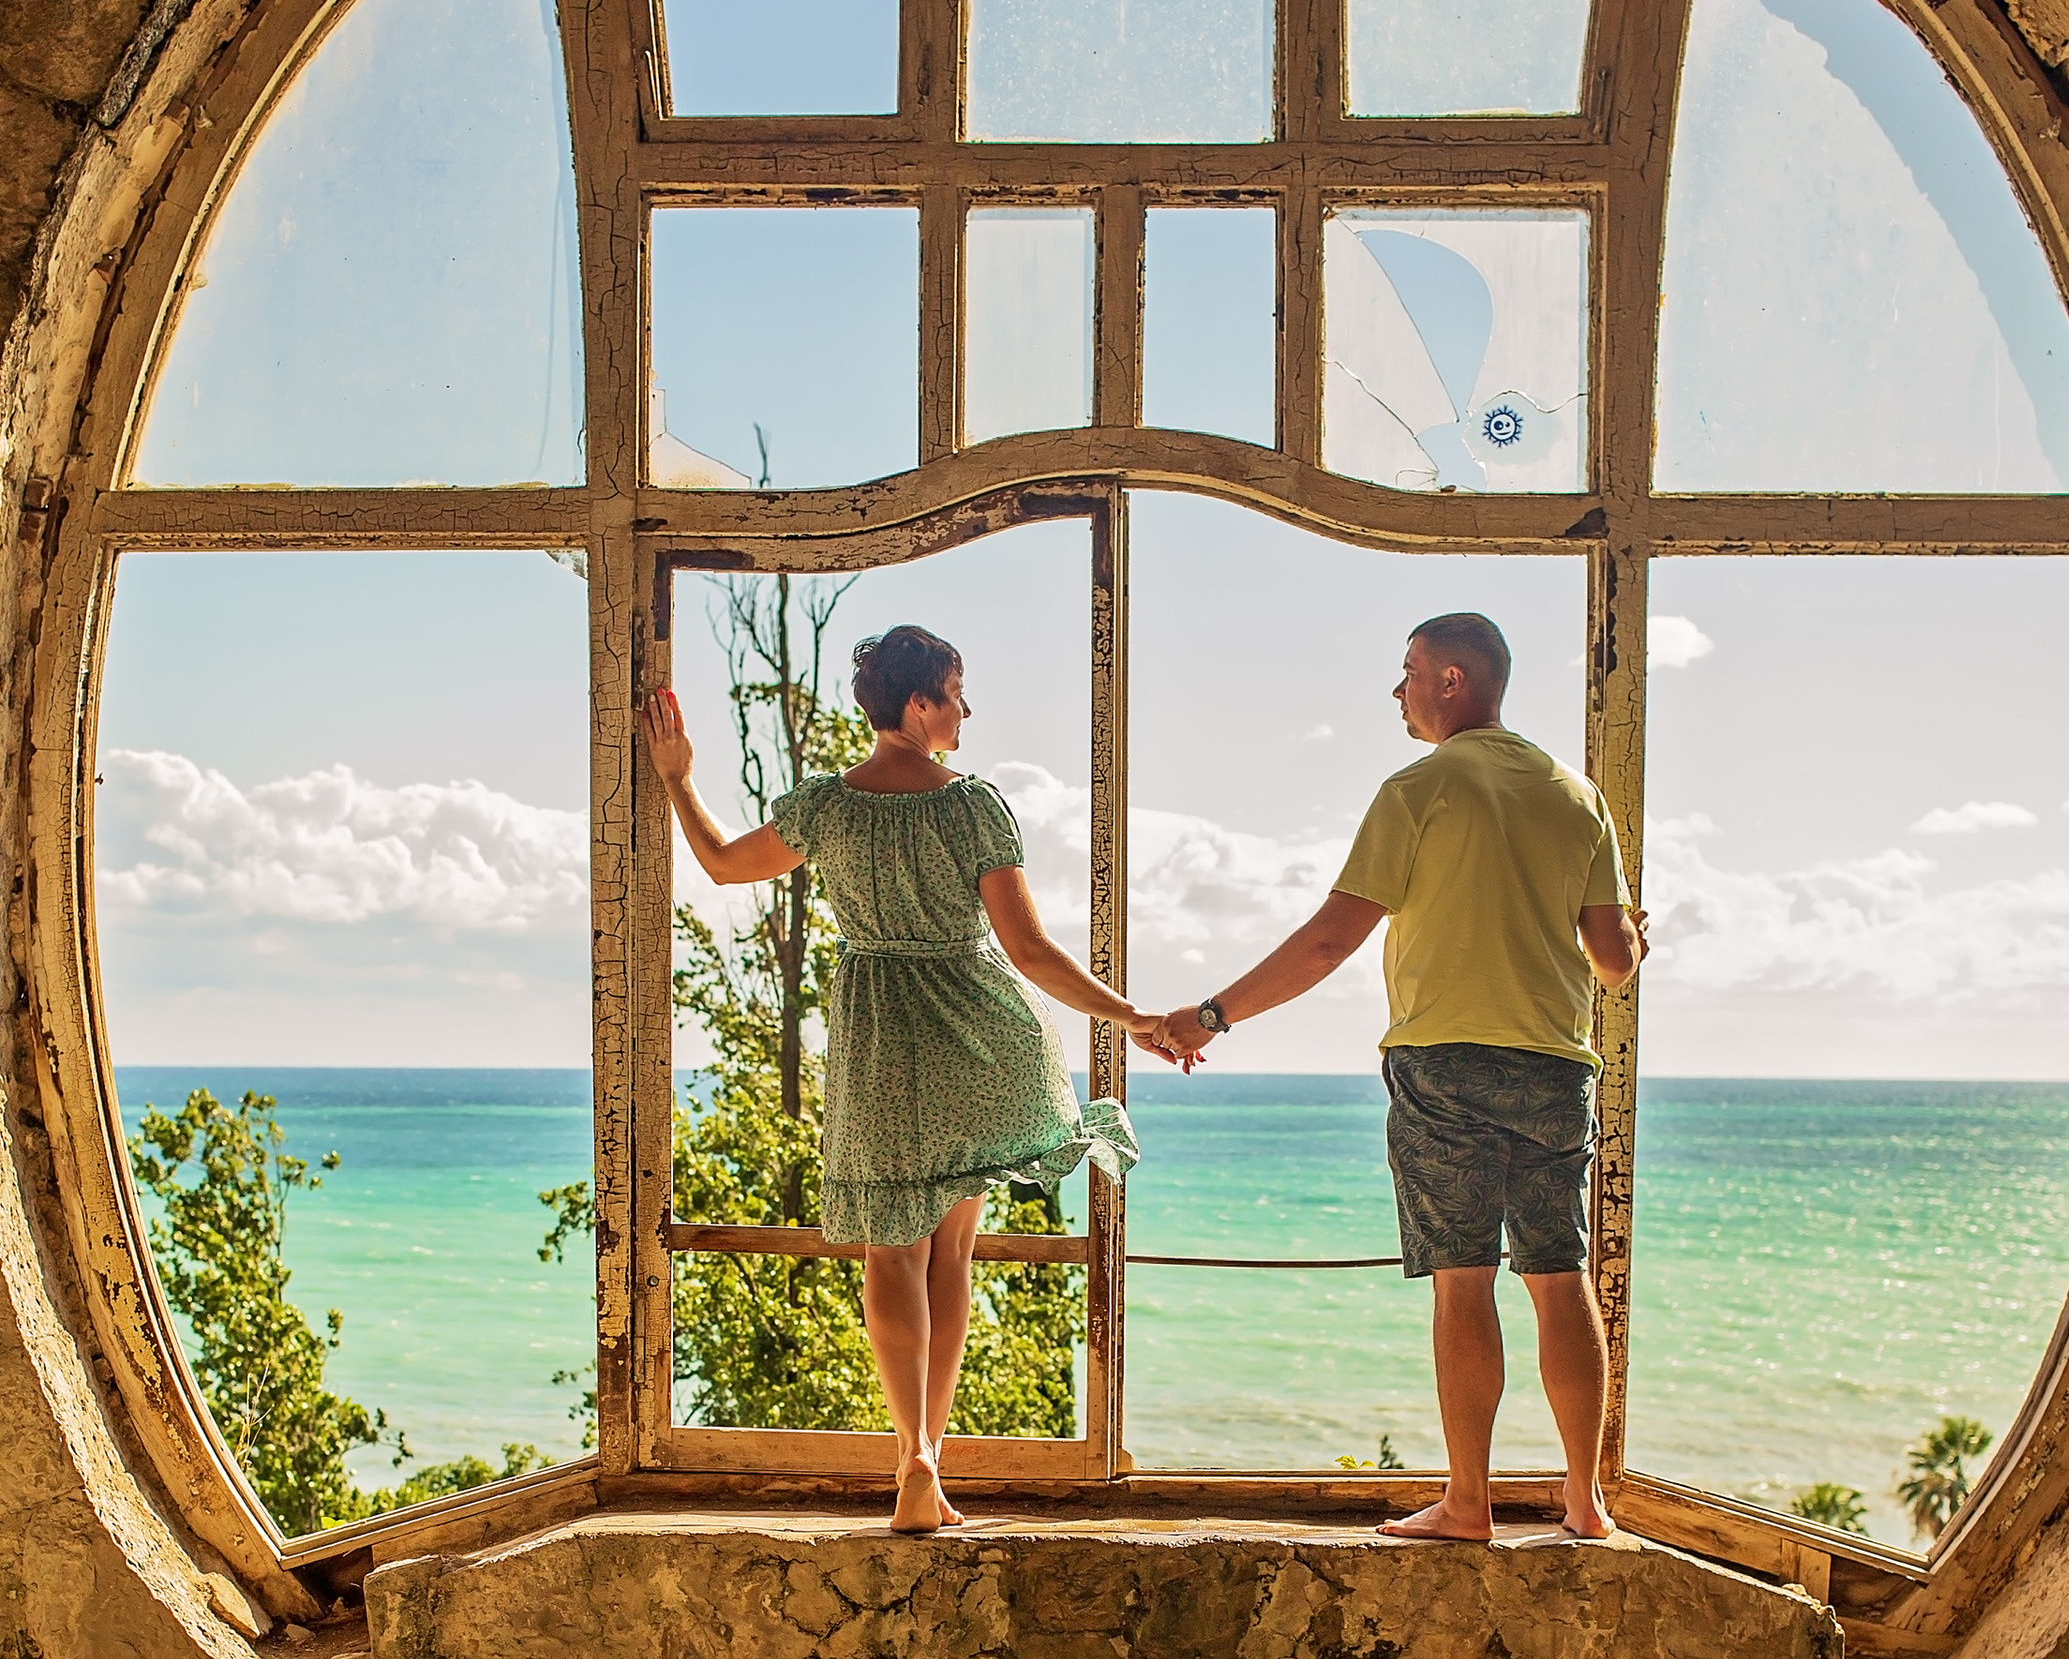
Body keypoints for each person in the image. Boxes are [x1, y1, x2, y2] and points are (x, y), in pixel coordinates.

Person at [1142, 611, 1646, 1544]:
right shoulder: (1578, 798)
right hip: (1555, 1063)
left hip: (1445, 1061)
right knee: (1557, 1271)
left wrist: (1208, 1015)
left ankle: (1469, 1504)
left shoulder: (1419, 789)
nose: (1397, 690)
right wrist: (1634, 941)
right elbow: (1614, 960)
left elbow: (1333, 938)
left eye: (1408, 671)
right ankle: (1585, 1502)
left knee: (1463, 1280)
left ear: (1453, 680)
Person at [641, 624, 1149, 1533]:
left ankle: (911, 1452)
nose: (965, 709)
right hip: (977, 1035)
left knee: (891, 1250)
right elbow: (1028, 950)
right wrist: (1134, 1017)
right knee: (949, 1254)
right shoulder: (972, 806)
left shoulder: (826, 809)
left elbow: (720, 866)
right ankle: (931, 1460)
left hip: (879, 1032)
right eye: (956, 692)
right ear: (919, 705)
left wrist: (679, 776)